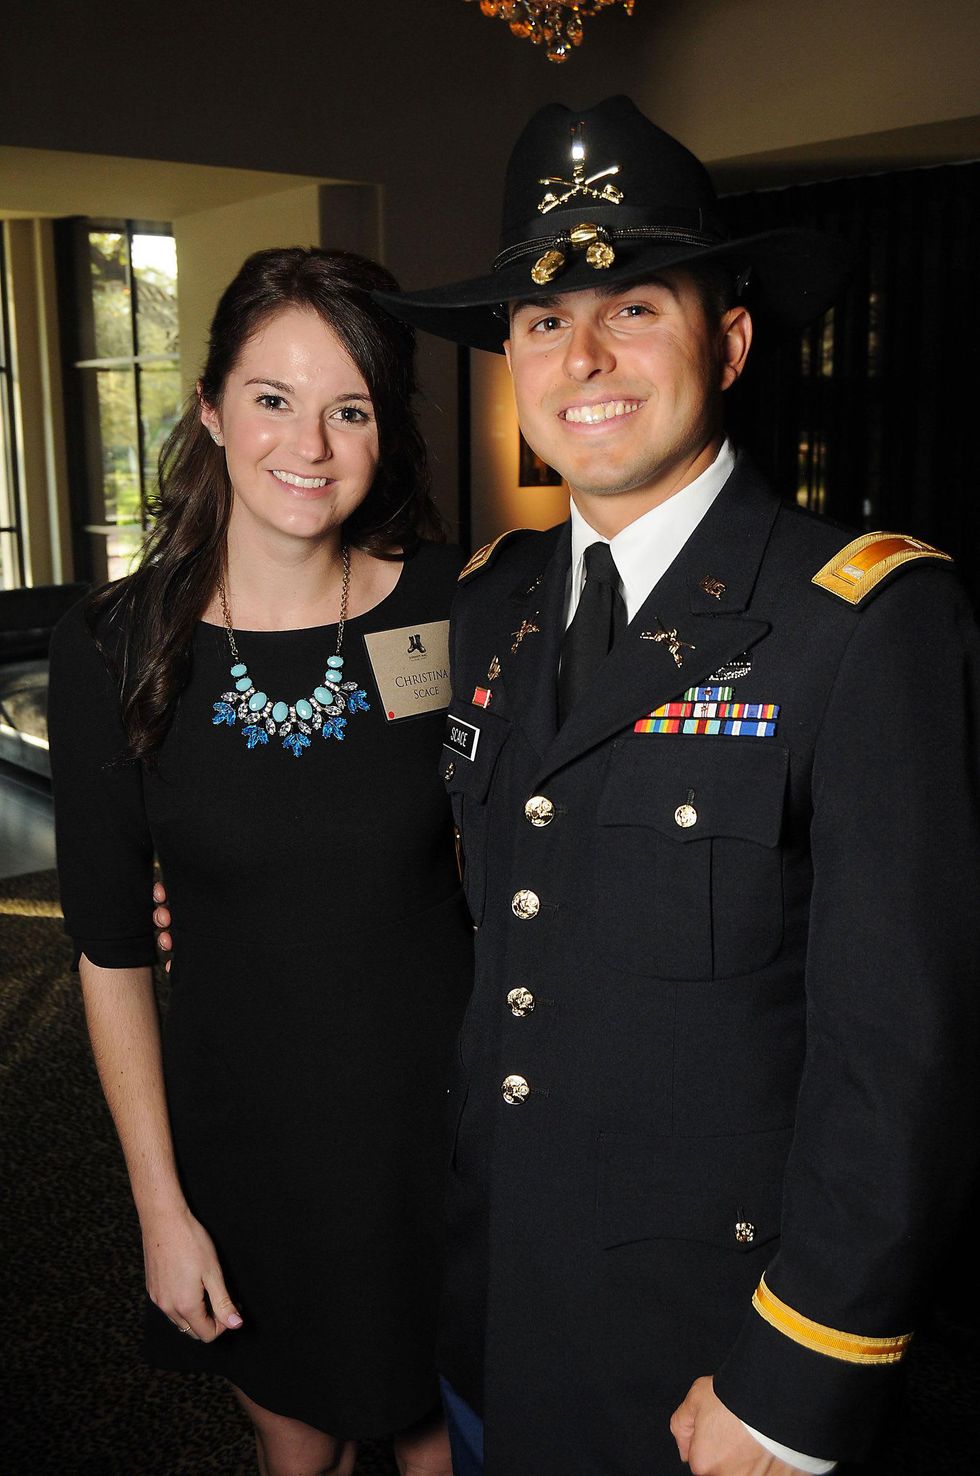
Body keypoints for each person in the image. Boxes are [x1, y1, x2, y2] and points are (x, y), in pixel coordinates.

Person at [375, 97, 980, 1475]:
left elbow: (907, 1053)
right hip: (488, 1306)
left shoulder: (864, 622)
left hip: (703, 1357)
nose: (582, 357)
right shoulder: (493, 599)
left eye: (633, 308)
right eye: (543, 320)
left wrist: (798, 1373)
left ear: (732, 341)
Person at [47, 247, 473, 1476]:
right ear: (210, 409)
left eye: (351, 409)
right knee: (299, 1449)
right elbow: (111, 952)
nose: (310, 445)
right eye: (273, 399)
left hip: (438, 1134)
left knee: (440, 1445)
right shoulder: (116, 644)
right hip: (248, 1145)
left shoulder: (458, 606)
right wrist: (160, 1211)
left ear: (385, 430)